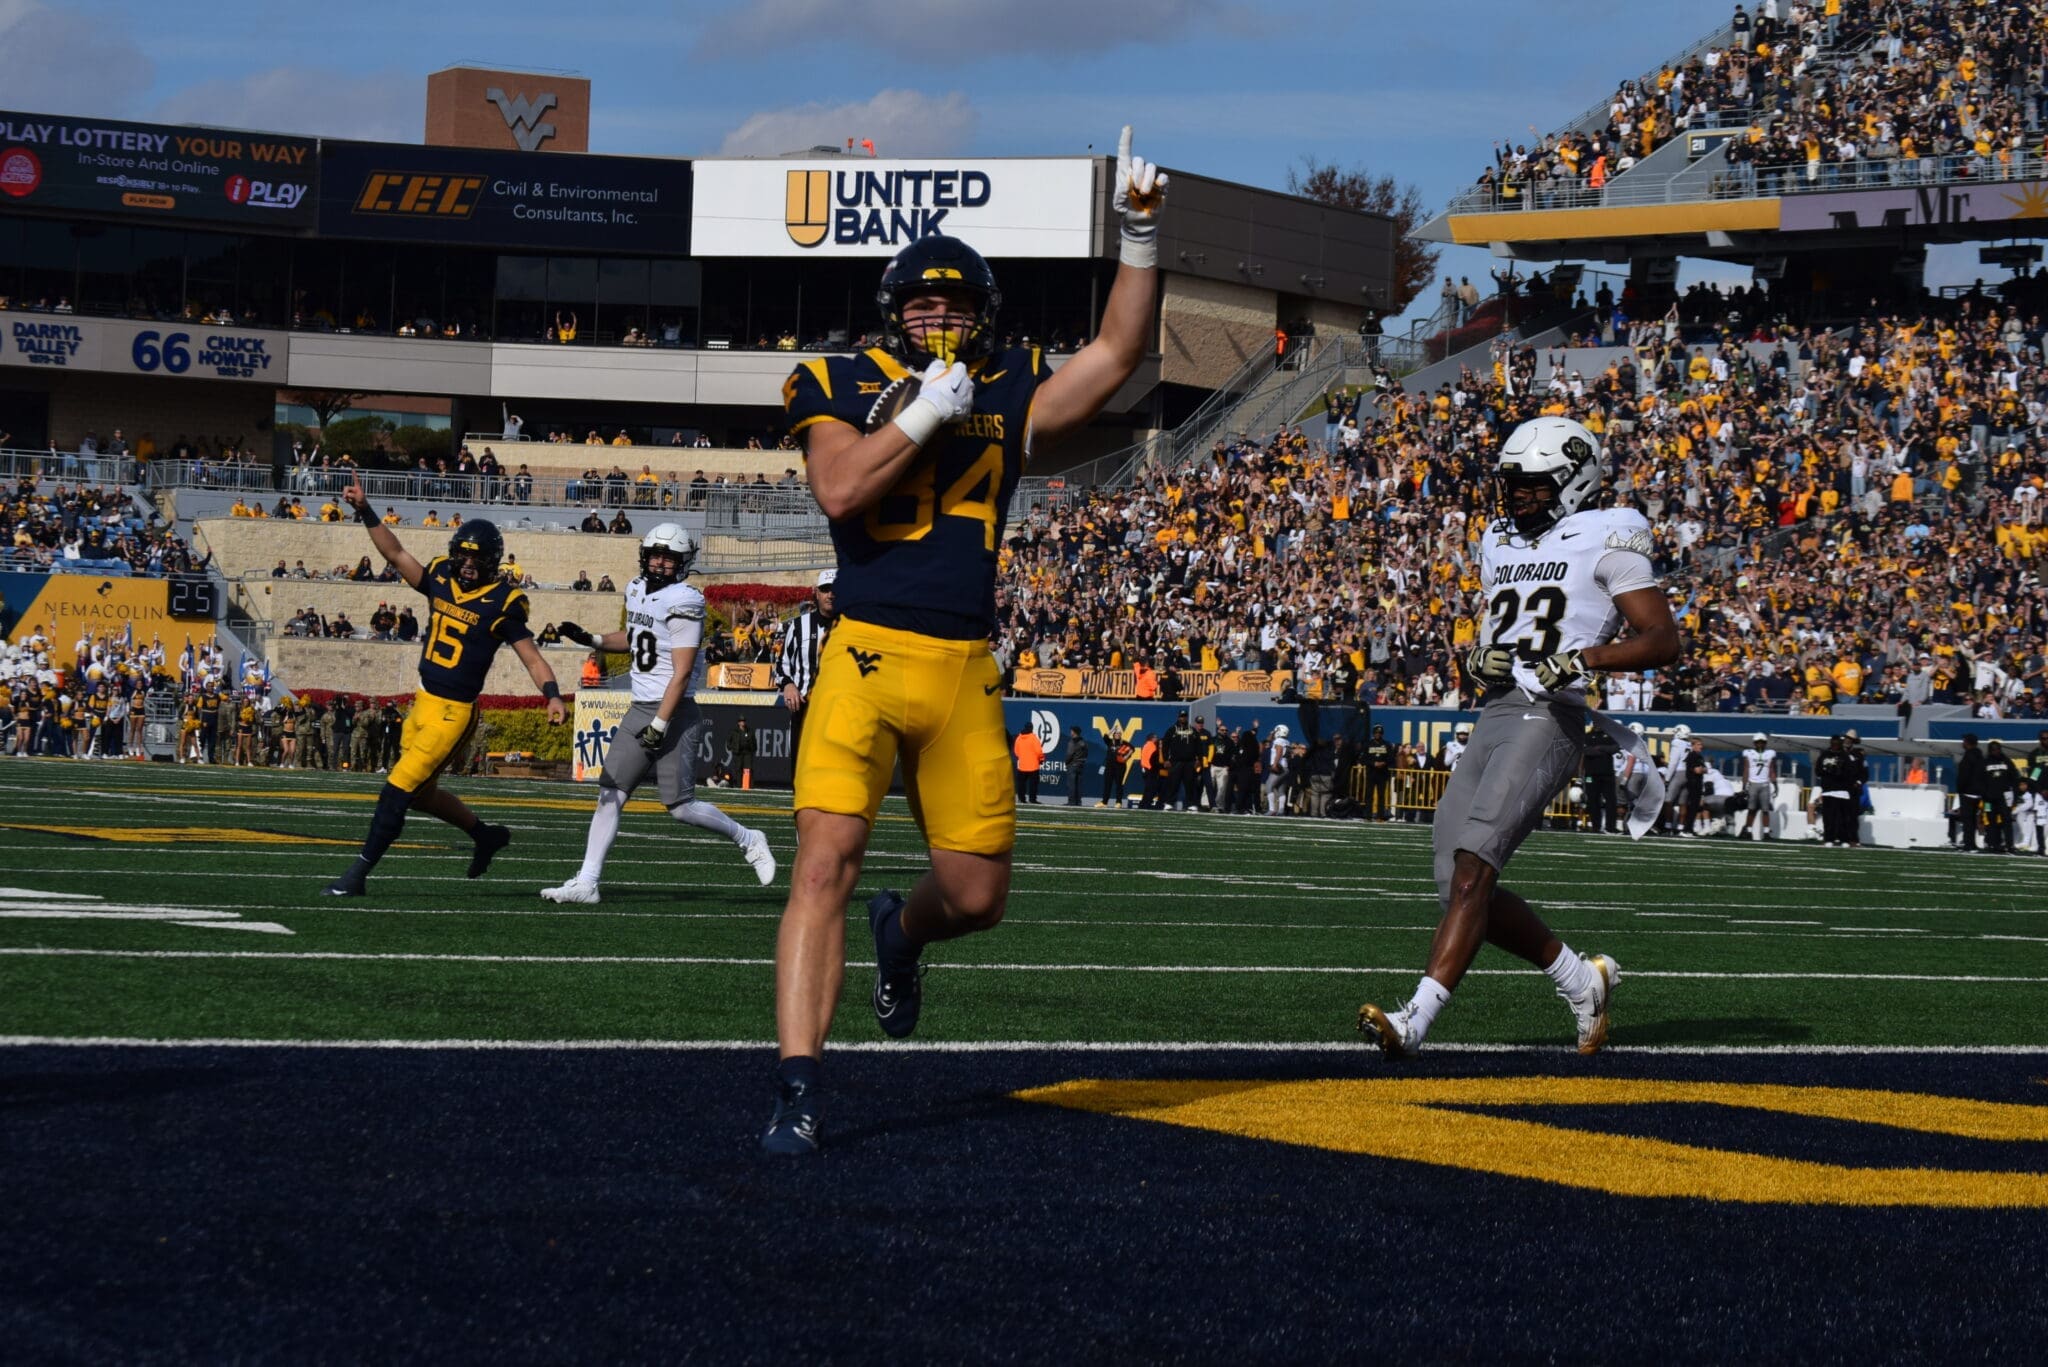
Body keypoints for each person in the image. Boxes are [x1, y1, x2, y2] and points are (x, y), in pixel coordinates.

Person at [760, 126, 1166, 1155]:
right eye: (920, 303)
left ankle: (901, 931)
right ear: (890, 310)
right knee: (823, 863)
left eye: (954, 305)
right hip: (863, 650)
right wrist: (920, 417)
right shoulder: (837, 378)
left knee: (977, 895)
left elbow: (1116, 356)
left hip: (963, 664)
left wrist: (1138, 237)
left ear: (983, 315)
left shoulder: (1008, 381)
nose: (936, 318)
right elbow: (840, 488)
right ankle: (799, 1086)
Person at [1359, 415, 1680, 1058]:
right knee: (1455, 883)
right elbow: (1498, 632)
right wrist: (1477, 659)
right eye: (1513, 484)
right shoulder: (1499, 540)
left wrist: (1585, 660)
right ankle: (1581, 981)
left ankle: (1416, 1020)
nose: (1519, 497)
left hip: (1549, 715)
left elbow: (1662, 640)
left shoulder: (1609, 534)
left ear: (1574, 480)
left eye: (1534, 484)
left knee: (1475, 868)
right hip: (1496, 711)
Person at [322, 492, 565, 897]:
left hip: (454, 713)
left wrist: (552, 695)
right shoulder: (439, 576)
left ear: (492, 561)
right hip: (422, 702)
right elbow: (395, 553)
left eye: (477, 558)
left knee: (397, 790)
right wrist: (364, 510)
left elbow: (532, 658)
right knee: (420, 796)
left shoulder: (503, 602)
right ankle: (485, 835)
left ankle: (357, 875)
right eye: (463, 555)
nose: (468, 564)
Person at [542, 525, 776, 903]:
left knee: (681, 807)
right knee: (610, 793)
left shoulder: (685, 600)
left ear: (682, 563)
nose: (661, 563)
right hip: (641, 706)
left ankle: (748, 838)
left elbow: (681, 672)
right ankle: (587, 882)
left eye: (669, 558)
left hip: (675, 712)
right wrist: (593, 639)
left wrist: (659, 724)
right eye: (656, 555)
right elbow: (637, 637)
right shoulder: (636, 588)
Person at [773, 568, 838, 762]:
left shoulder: (852, 625)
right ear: (816, 593)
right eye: (825, 589)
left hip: (840, 710)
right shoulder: (798, 626)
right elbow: (781, 664)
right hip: (804, 707)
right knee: (801, 768)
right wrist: (788, 685)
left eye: (835, 589)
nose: (830, 595)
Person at [1735, 732, 1778, 840]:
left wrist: (1775, 784)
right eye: (1758, 742)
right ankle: (1748, 831)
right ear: (1754, 743)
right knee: (1751, 809)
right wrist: (1744, 785)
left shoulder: (1769, 754)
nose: (1760, 744)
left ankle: (1766, 832)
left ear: (1765, 743)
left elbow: (1771, 769)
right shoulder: (1749, 753)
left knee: (1765, 809)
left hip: (1765, 784)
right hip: (1753, 783)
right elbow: (1746, 769)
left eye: (1762, 742)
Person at [1363, 725, 1394, 820]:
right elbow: (1364, 758)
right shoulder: (1368, 744)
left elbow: (1391, 758)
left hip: (1382, 773)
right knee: (1369, 795)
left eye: (1380, 733)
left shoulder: (1387, 744)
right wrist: (1373, 763)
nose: (1378, 734)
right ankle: (1368, 815)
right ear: (1373, 734)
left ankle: (1380, 816)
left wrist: (1384, 763)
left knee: (1381, 795)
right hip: (1371, 773)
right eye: (1376, 733)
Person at [1012, 727, 1044, 804]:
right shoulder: (1034, 738)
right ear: (1031, 729)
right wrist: (1041, 759)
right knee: (1033, 784)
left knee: (1021, 784)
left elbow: (1016, 751)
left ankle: (1021, 799)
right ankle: (1032, 799)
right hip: (1033, 765)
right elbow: (1038, 751)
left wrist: (1022, 757)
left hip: (1022, 765)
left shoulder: (1019, 738)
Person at [1063, 725, 1089, 806]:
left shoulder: (1072, 742)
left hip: (1073, 765)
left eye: (1071, 731)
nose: (1070, 732)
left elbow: (1069, 754)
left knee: (1071, 784)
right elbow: (1086, 754)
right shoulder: (1083, 742)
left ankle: (1071, 801)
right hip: (1080, 765)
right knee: (1078, 784)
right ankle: (1078, 801)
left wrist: (1066, 762)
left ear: (1074, 732)